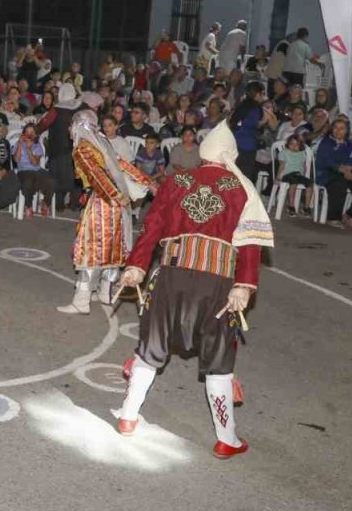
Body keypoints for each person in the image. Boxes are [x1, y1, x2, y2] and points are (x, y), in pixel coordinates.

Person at [116, 121, 273, 458]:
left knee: (151, 346)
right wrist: (244, 286)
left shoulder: (177, 180)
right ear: (229, 154)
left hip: (172, 275)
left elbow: (152, 226)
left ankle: (128, 417)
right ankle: (226, 438)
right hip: (216, 283)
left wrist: (136, 265)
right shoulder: (242, 189)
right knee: (218, 359)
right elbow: (250, 243)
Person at [56, 110, 152, 315]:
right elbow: (122, 164)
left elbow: (96, 175)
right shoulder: (102, 141)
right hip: (117, 204)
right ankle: (105, 293)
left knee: (91, 248)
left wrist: (114, 194)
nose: (69, 130)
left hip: (103, 203)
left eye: (71, 126)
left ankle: (81, 300)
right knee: (113, 247)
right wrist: (146, 181)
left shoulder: (82, 148)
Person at [314, 117, 352, 228]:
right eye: (336, 128)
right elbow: (324, 160)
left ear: (346, 131)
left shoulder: (351, 144)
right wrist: (341, 169)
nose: (338, 131)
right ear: (332, 129)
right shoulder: (326, 142)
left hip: (348, 173)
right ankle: (334, 218)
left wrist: (350, 168)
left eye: (342, 128)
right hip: (328, 173)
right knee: (339, 184)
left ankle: (351, 215)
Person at [14, 124, 54, 217]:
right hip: (23, 171)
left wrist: (29, 149)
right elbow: (16, 160)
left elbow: (35, 163)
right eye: (27, 132)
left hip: (37, 170)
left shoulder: (38, 145)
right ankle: (28, 205)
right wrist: (20, 144)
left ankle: (45, 203)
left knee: (51, 181)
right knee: (27, 182)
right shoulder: (18, 144)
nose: (29, 134)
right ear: (23, 133)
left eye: (32, 132)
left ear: (36, 135)